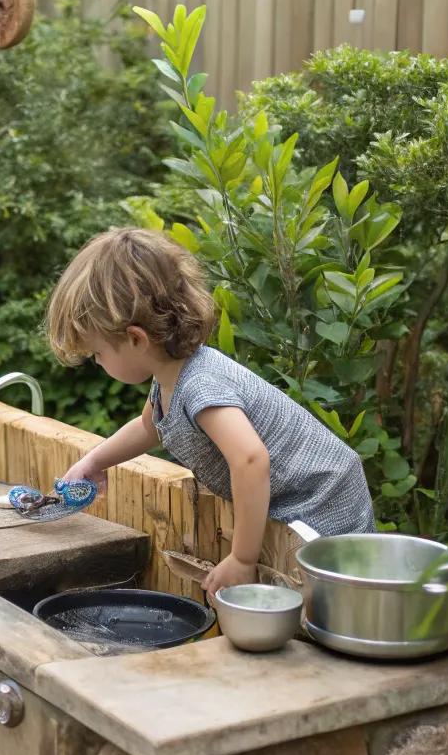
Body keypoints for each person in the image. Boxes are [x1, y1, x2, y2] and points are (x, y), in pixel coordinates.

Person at [47, 228, 375, 596]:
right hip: (301, 500)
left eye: (97, 354)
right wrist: (95, 461)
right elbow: (149, 427)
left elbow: (251, 459)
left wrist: (242, 559)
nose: (98, 362)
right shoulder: (170, 378)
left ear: (136, 339)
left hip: (321, 502)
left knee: (327, 602)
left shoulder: (201, 384)